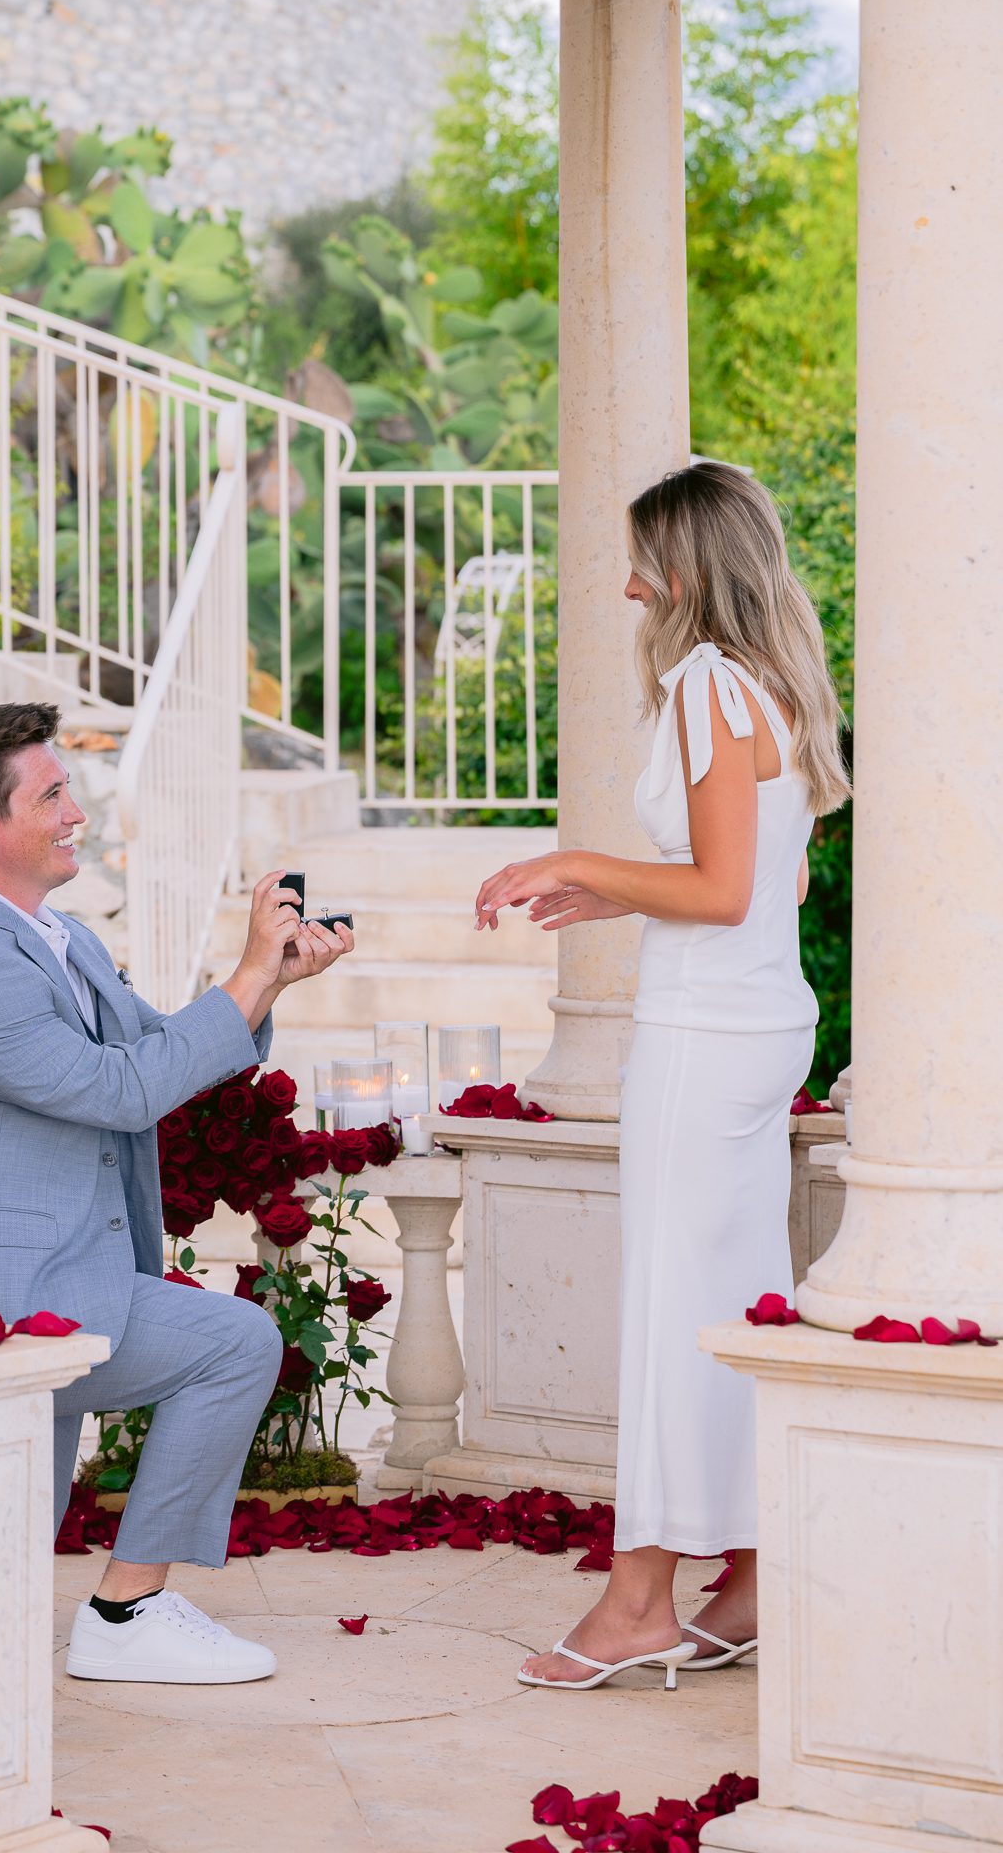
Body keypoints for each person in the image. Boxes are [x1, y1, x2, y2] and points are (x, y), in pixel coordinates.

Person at [475, 461, 848, 1692]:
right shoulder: (774, 689)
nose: (625, 574)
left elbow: (724, 890)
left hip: (701, 1038)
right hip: (764, 1024)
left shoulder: (700, 684)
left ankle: (639, 1599)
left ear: (684, 566)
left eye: (641, 553)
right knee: (739, 1300)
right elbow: (777, 886)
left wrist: (574, 857)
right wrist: (615, 887)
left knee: (672, 1311)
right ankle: (749, 1581)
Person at [0, 701, 353, 1685]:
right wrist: (240, 977)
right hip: (1, 1293)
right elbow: (122, 1090)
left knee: (5, 1542)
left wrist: (267, 979)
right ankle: (125, 1607)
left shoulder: (53, 935)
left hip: (65, 1271)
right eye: (53, 794)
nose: (77, 812)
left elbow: (158, 1050)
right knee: (235, 1342)